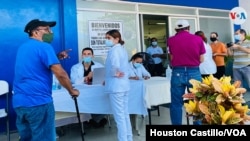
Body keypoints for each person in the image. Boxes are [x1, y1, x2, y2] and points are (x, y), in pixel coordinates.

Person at [12, 19, 79, 141]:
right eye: (47, 29)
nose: (51, 32)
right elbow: (61, 74)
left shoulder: (23, 47)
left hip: (20, 103)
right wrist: (71, 91)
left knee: (27, 138)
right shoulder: (45, 47)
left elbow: (34, 63)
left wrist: (56, 57)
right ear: (35, 32)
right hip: (39, 103)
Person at [167, 19, 205, 125]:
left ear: (176, 29)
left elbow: (172, 57)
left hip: (177, 72)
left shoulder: (171, 40)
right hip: (194, 72)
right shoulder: (198, 39)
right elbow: (201, 59)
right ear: (188, 28)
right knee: (196, 102)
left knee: (176, 103)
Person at [104, 29, 133, 141]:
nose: (106, 40)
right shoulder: (122, 49)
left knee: (119, 117)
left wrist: (114, 73)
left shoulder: (114, 50)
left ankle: (123, 139)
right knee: (125, 114)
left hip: (116, 87)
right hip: (124, 86)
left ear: (117, 39)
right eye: (106, 38)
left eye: (108, 38)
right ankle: (128, 138)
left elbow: (114, 66)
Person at [70, 47, 107, 127]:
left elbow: (104, 78)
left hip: (96, 92)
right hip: (82, 93)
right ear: (82, 56)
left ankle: (96, 119)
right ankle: (89, 119)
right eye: (84, 54)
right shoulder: (75, 67)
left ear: (92, 56)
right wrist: (87, 77)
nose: (86, 56)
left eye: (89, 54)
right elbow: (74, 81)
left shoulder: (99, 66)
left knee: (101, 101)